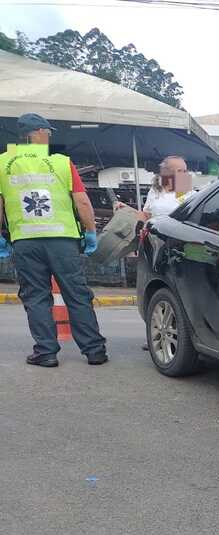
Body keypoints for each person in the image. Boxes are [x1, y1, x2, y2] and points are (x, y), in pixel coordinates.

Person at [0, 113, 107, 367]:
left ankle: (46, 352)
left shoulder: (3, 161)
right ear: (36, 132)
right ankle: (94, 351)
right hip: (62, 240)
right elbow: (81, 200)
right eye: (47, 132)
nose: (49, 136)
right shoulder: (61, 162)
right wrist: (90, 231)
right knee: (77, 294)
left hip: (25, 240)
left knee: (36, 296)